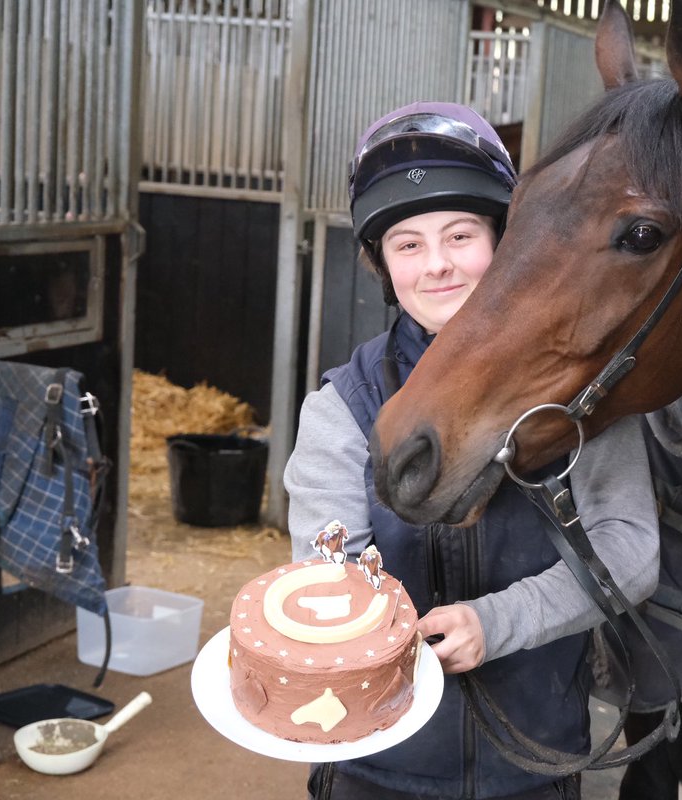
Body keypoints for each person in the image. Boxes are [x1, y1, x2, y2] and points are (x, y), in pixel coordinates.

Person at [283, 101, 661, 800]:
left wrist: (498, 622)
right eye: (408, 244)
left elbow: (631, 549)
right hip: (374, 764)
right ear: (382, 264)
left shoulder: (583, 393)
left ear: (505, 241)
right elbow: (322, 574)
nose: (438, 267)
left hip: (535, 764)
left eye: (460, 236)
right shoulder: (342, 408)